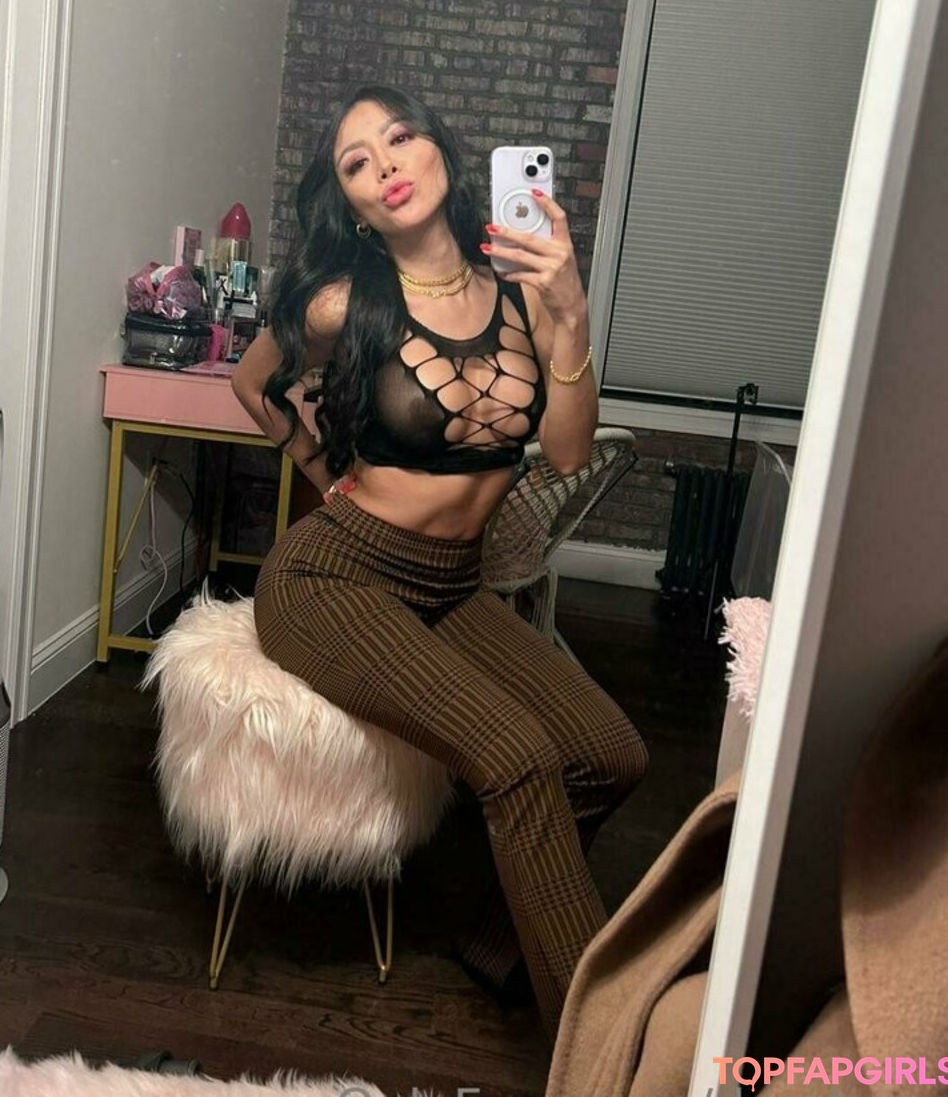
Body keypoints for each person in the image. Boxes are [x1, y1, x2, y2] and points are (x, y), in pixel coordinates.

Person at [232, 84, 647, 1039]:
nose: (384, 163)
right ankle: (605, 1049)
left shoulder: (524, 295)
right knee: (516, 757)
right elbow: (253, 385)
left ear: (442, 156)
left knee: (611, 753)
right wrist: (323, 471)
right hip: (333, 579)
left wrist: (572, 313)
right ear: (356, 206)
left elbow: (569, 452)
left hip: (452, 587)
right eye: (357, 162)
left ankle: (501, 945)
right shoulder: (344, 303)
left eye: (399, 137)